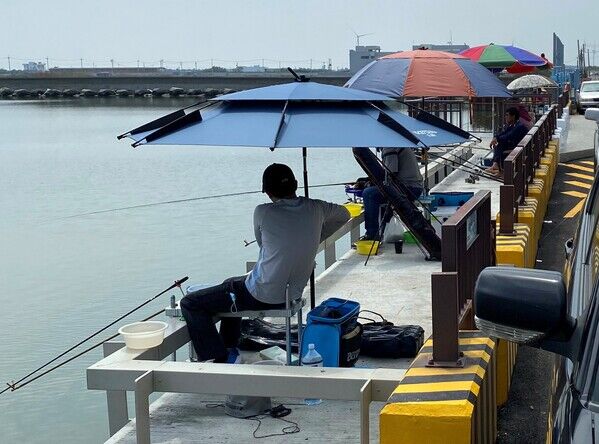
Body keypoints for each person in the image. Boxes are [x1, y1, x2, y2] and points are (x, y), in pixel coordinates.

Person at [180, 163, 350, 364]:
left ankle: (216, 358)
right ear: (295, 185)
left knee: (190, 303)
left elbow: (263, 246)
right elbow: (345, 215)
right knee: (231, 284)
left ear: (268, 192)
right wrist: (315, 238)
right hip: (292, 294)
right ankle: (229, 346)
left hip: (262, 294)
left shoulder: (262, 212)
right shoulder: (317, 207)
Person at [361, 148, 423, 241]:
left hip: (409, 188)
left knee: (369, 194)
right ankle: (382, 231)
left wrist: (369, 184)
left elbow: (390, 174)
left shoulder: (389, 147)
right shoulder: (395, 143)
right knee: (376, 193)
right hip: (414, 187)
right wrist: (368, 180)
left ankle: (372, 234)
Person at [487, 107, 529, 174]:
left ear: (513, 116)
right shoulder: (513, 125)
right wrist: (495, 137)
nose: (505, 117)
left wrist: (497, 139)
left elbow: (508, 136)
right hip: (517, 146)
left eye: (507, 115)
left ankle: (498, 167)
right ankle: (496, 166)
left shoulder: (519, 126)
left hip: (521, 149)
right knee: (500, 144)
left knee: (501, 145)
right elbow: (503, 133)